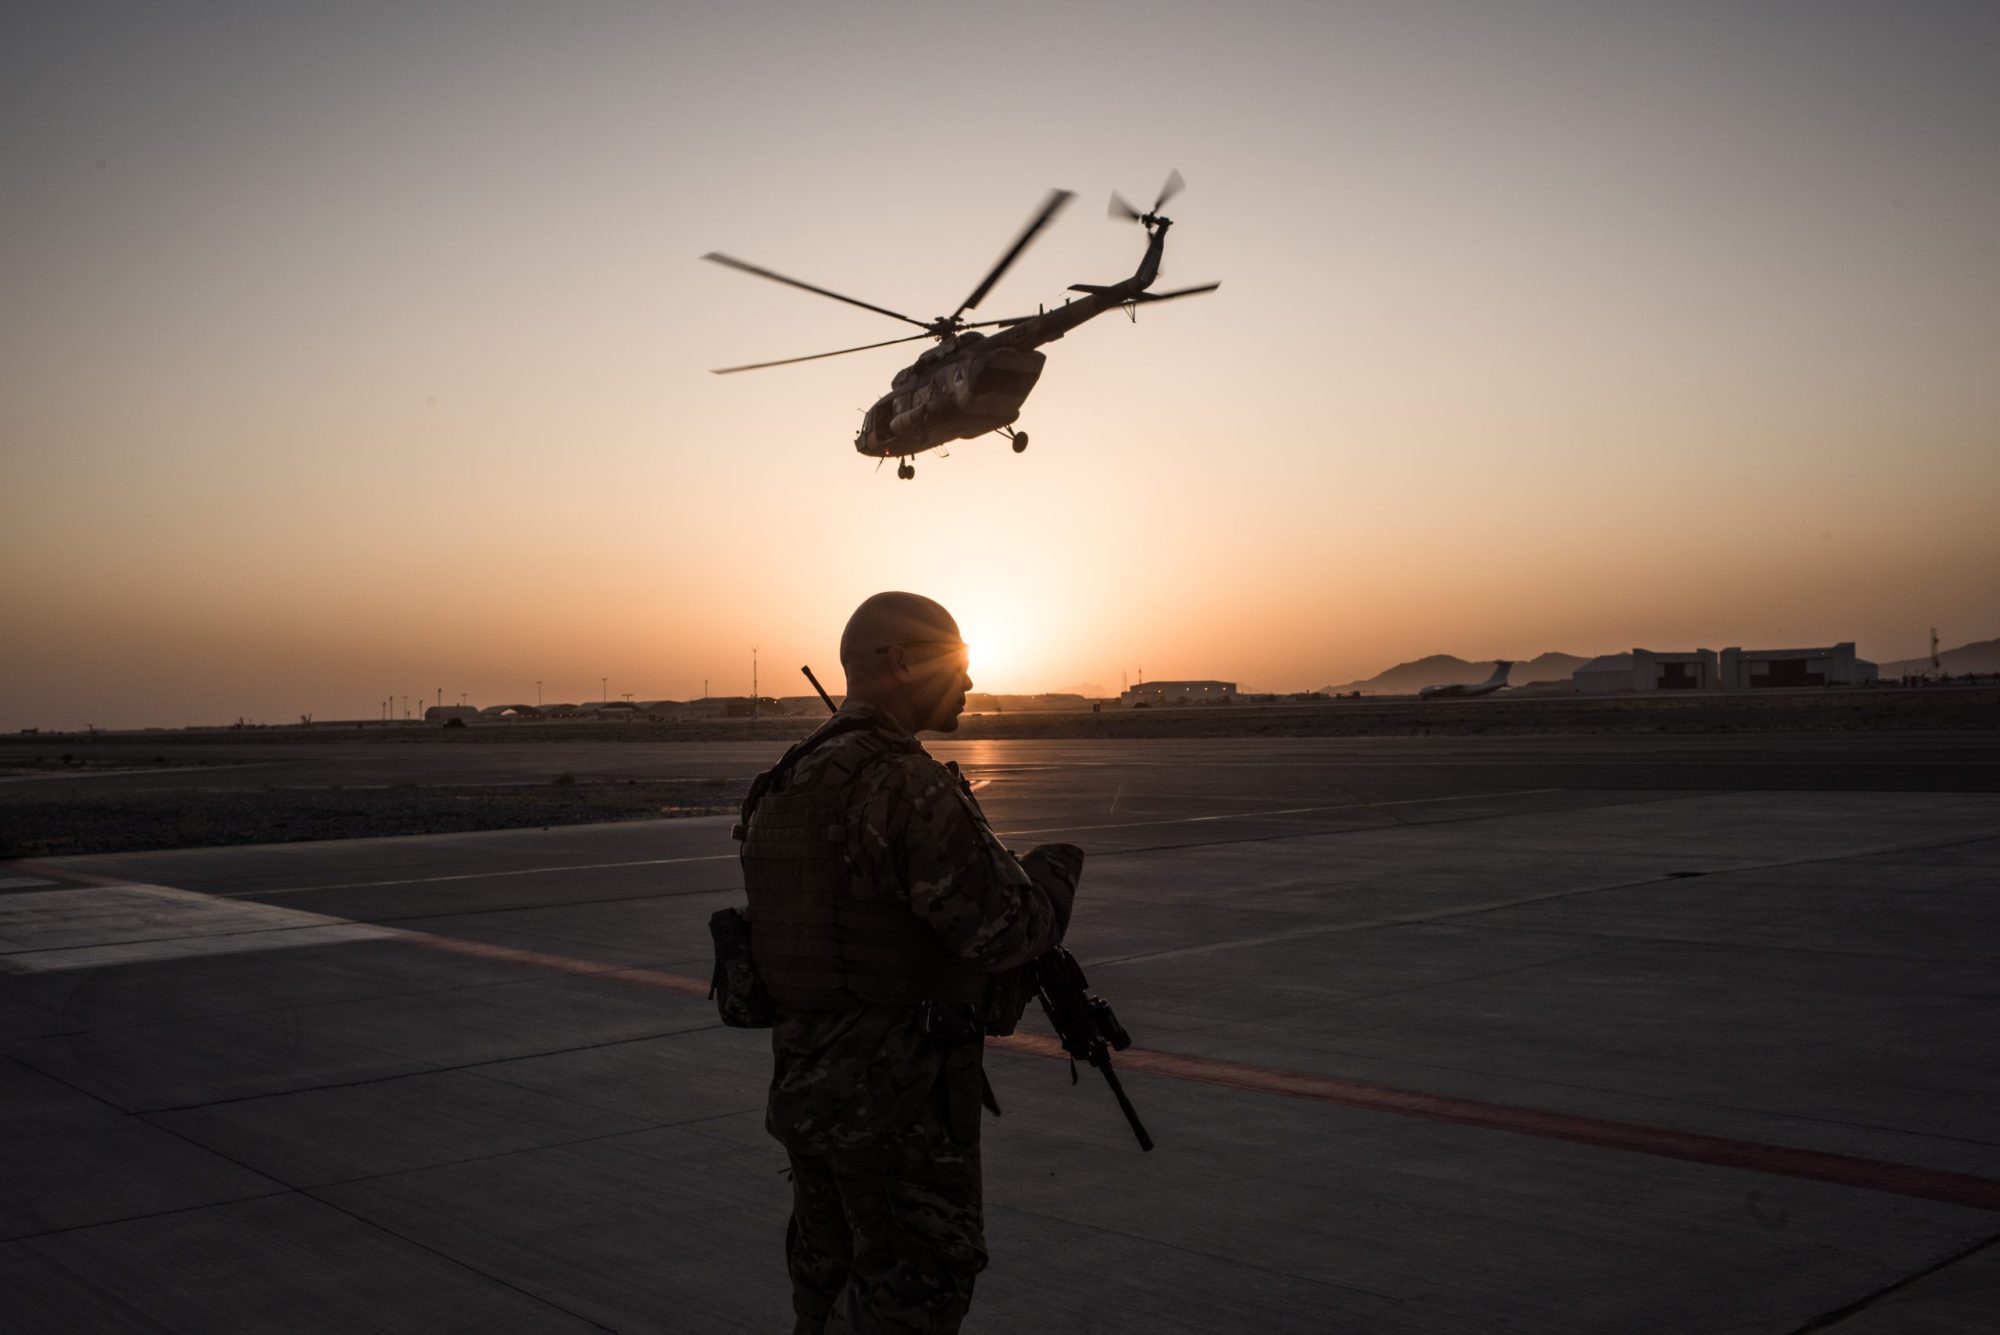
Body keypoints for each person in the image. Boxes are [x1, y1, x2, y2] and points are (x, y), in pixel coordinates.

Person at [735, 591, 1082, 1334]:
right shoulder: (902, 781)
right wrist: (1050, 881)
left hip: (808, 1090)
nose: (968, 682)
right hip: (895, 1101)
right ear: (898, 663)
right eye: (955, 663)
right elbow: (1004, 932)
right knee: (916, 1290)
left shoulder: (784, 783)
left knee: (824, 1284)